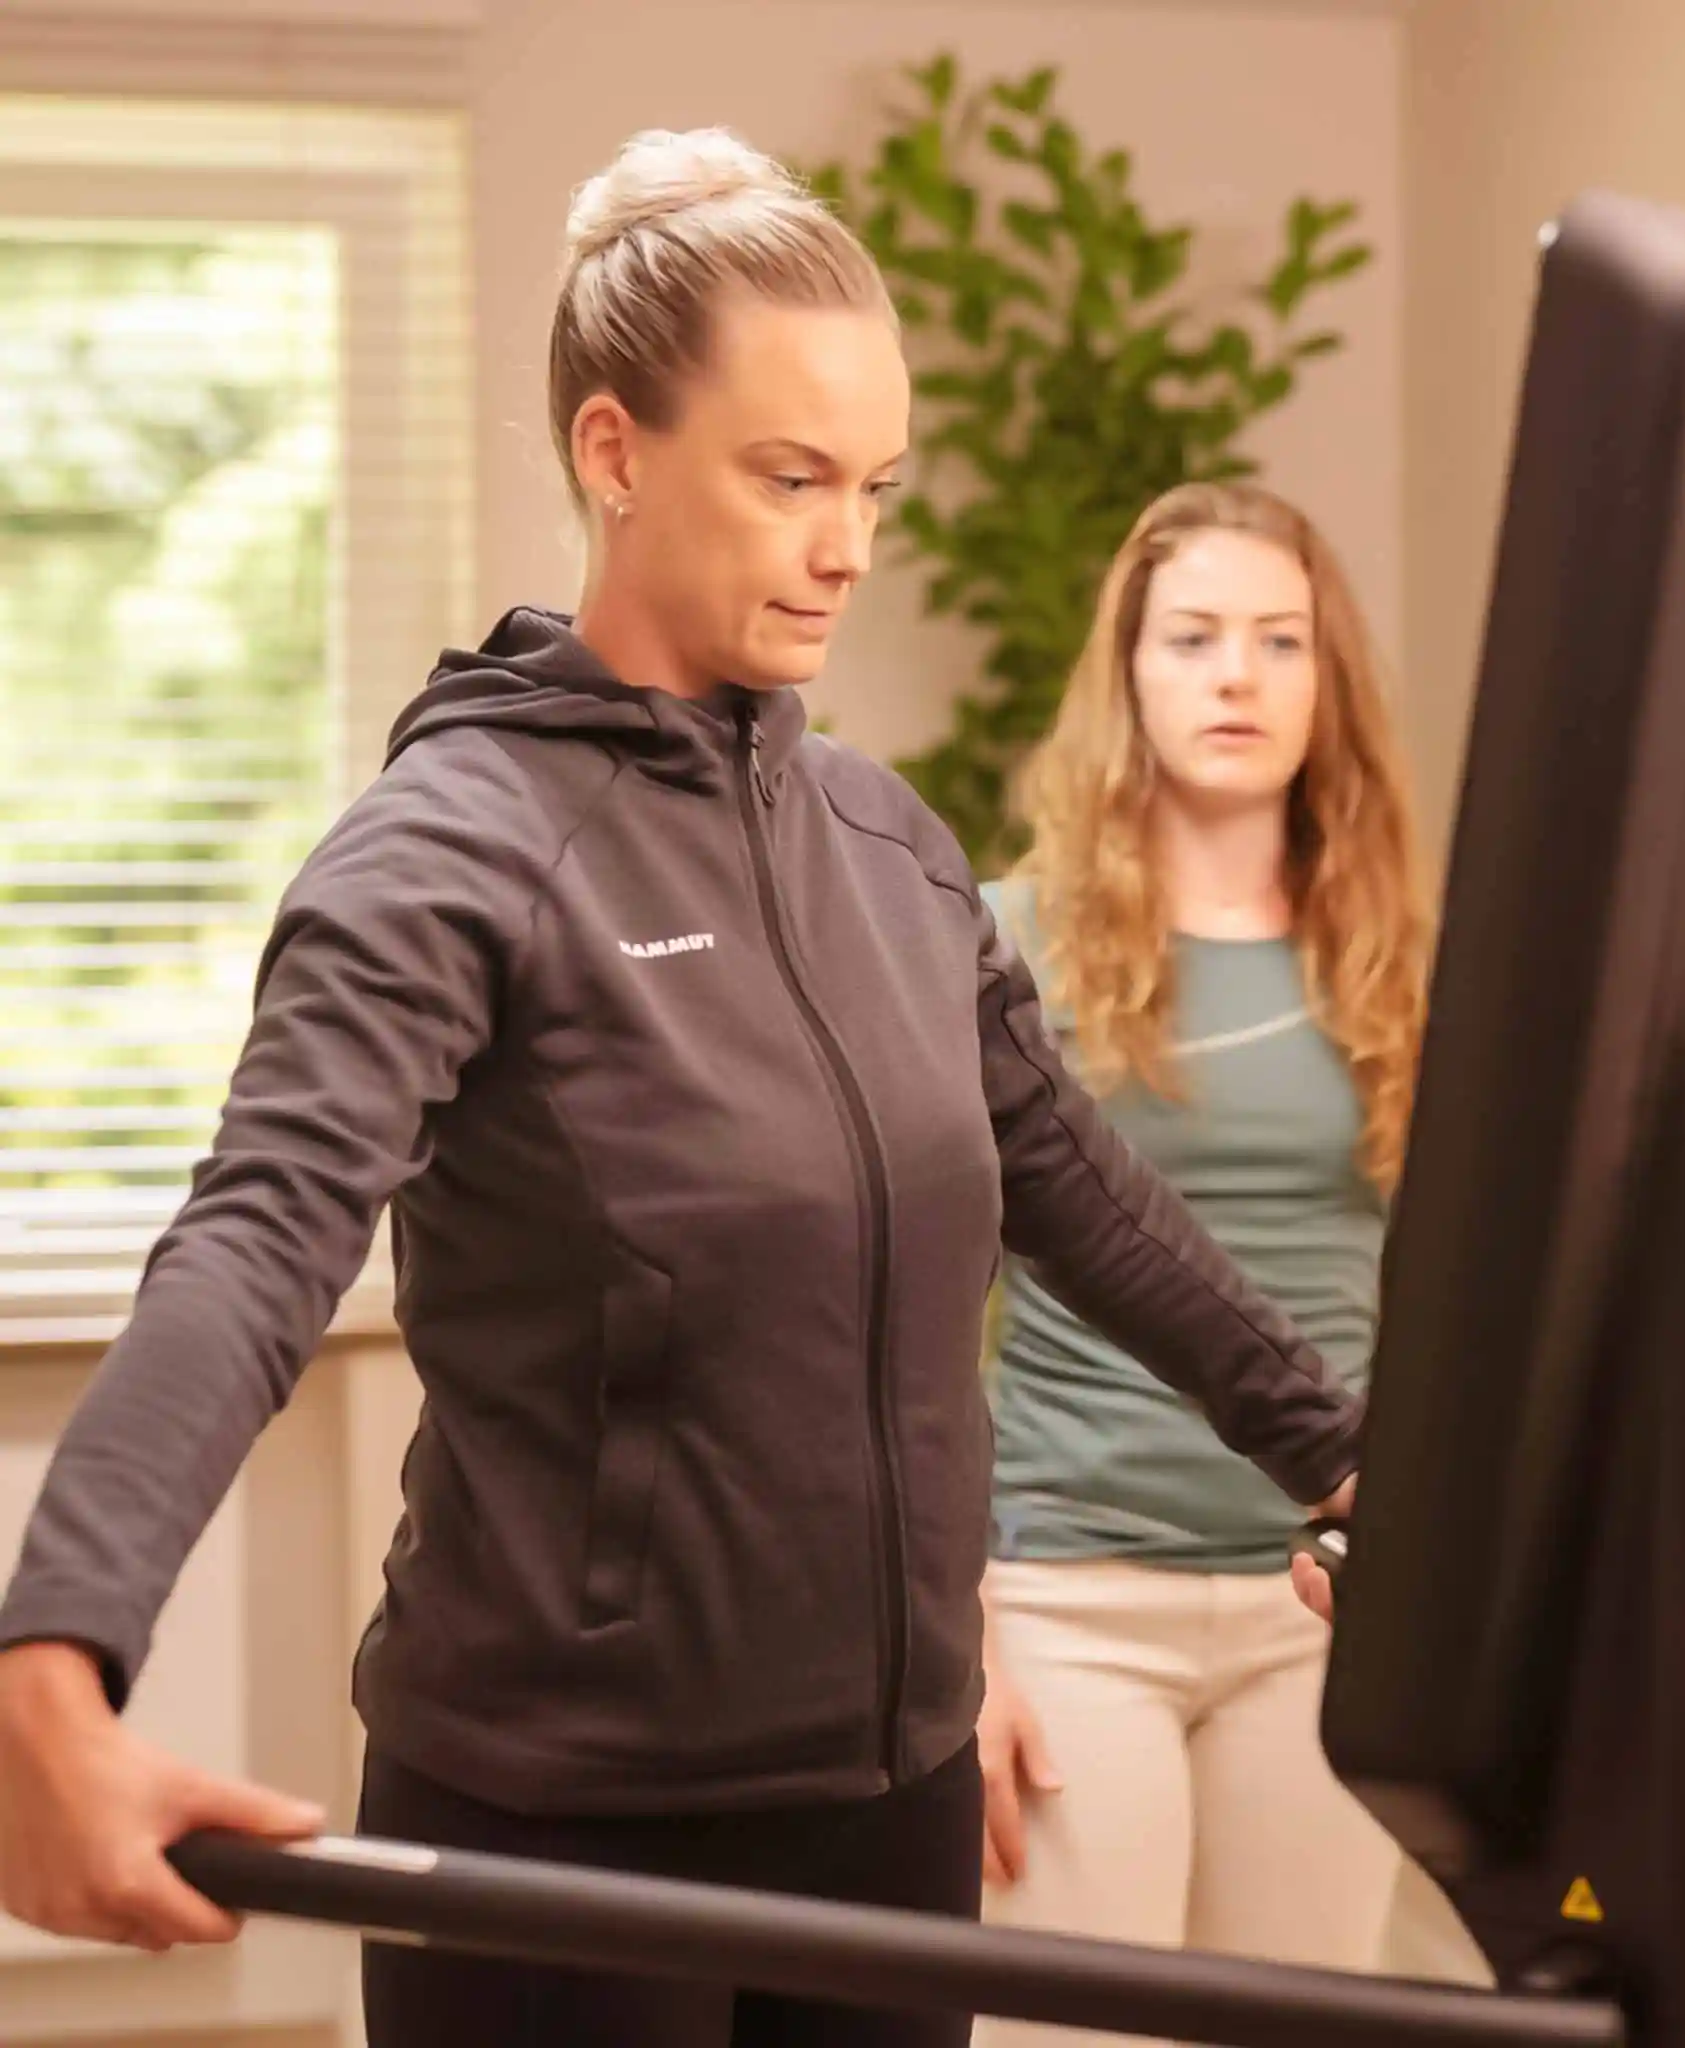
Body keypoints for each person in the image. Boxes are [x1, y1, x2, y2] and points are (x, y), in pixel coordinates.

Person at [0, 133, 1362, 2048]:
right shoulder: (448, 852)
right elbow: (256, 1248)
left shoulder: (884, 848)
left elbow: (1073, 1185)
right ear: (615, 450)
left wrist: (1345, 1452)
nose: (849, 548)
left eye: (877, 485)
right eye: (790, 477)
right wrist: (52, 1662)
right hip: (565, 1835)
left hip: (886, 1806)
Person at [973, 483, 1489, 2038]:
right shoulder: (1003, 941)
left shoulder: (1404, 957)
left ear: (1327, 685)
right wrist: (960, 1637)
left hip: (1320, 1609)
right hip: (1064, 1598)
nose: (1237, 677)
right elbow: (906, 1316)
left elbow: (1462, 1301)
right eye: (1193, 639)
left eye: (1280, 642)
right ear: (1127, 673)